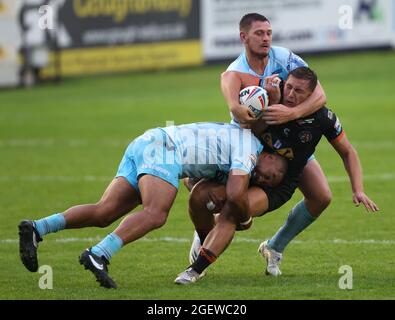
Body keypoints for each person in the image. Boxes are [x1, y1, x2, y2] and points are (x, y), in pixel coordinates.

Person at [18, 122, 288, 288]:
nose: (265, 179)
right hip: (163, 149)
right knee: (156, 214)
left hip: (148, 143)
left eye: (270, 182)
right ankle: (99, 254)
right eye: (272, 174)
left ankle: (38, 227)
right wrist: (244, 218)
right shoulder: (250, 148)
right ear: (269, 155)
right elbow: (233, 191)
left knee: (104, 212)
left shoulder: (234, 142)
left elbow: (190, 183)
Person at [174, 67, 378, 284]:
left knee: (232, 211)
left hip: (277, 185)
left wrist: (358, 190)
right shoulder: (268, 97)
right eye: (288, 87)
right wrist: (269, 105)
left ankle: (194, 271)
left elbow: (348, 152)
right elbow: (243, 128)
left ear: (312, 96)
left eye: (299, 91)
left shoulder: (323, 119)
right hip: (248, 168)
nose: (290, 95)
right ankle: (206, 234)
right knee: (199, 191)